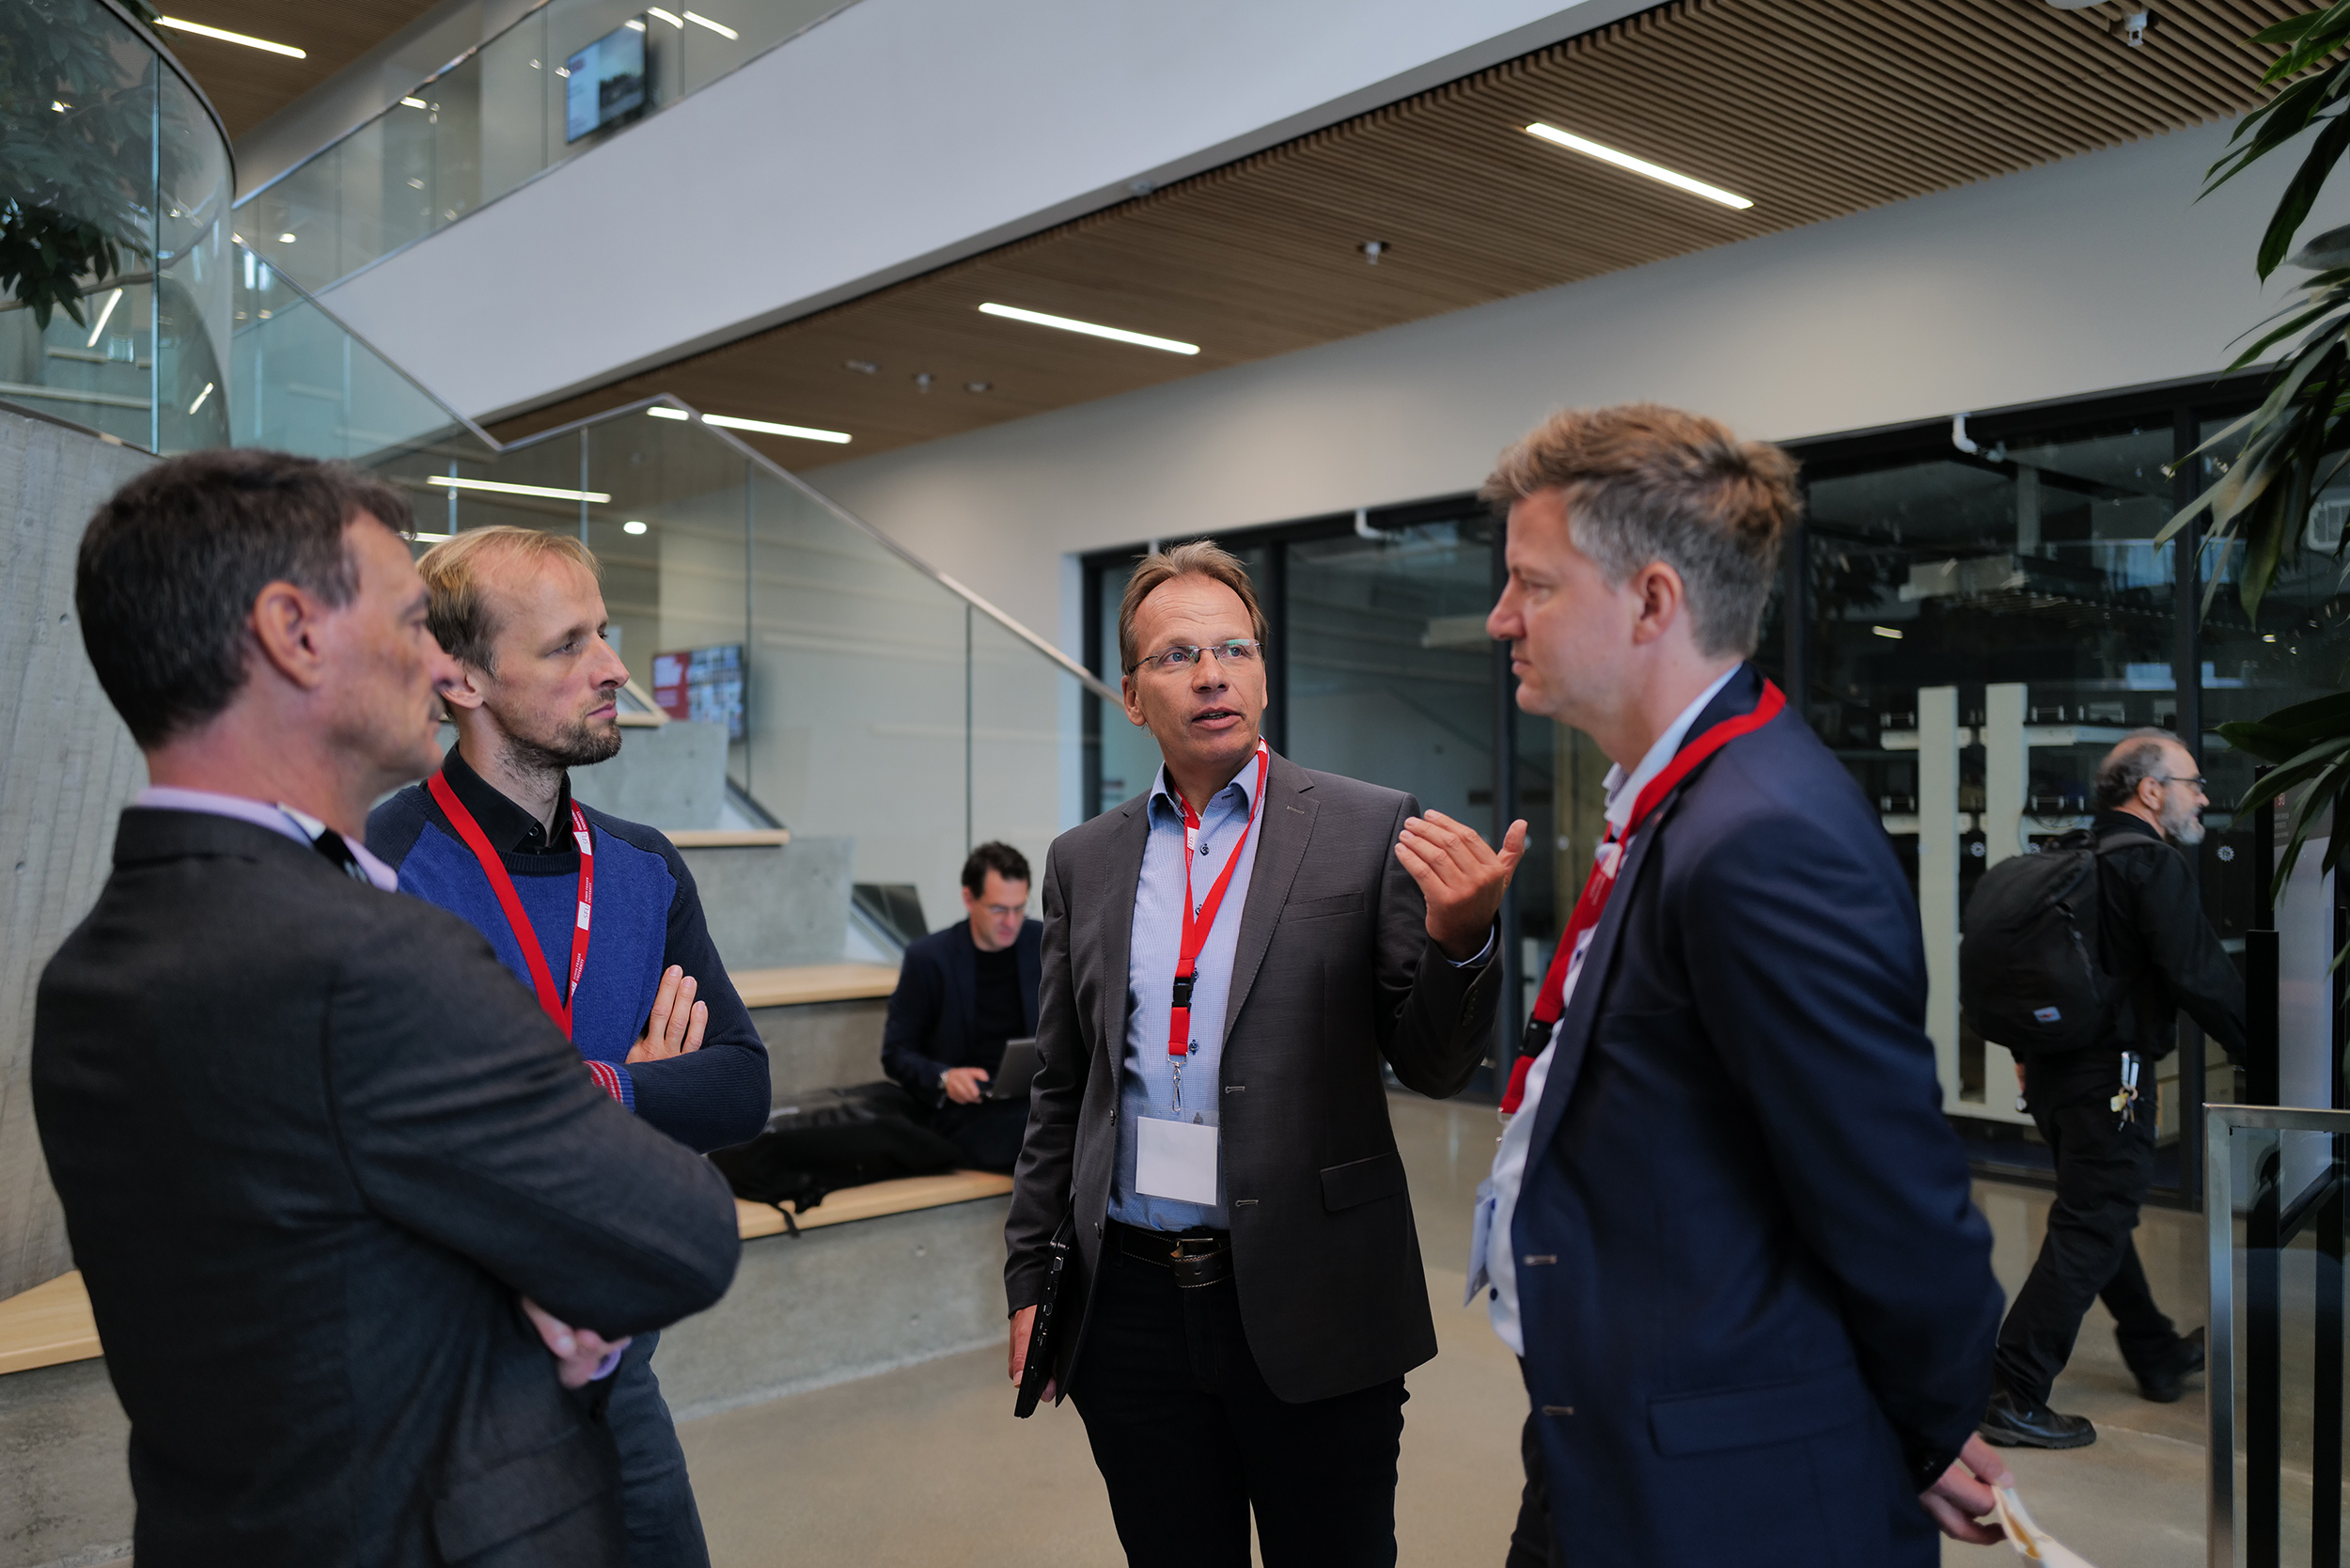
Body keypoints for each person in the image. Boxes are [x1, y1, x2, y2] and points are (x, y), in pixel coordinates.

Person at [34, 450, 741, 1567]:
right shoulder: (367, 956)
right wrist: (556, 1258)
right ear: (293, 631)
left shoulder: (92, 968)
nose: (436, 660)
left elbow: (311, 1264)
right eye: (412, 619)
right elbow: (676, 1239)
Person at [1476, 404, 2012, 1566]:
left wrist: (1924, 1434)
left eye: (1533, 584)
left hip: (1726, 1490)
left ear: (1652, 601)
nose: (1499, 617)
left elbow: (1891, 1195)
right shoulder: (1682, 798)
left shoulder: (1758, 835)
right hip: (1617, 1434)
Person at [1003, 541, 1521, 1567]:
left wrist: (1462, 942)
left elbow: (1431, 1065)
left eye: (1234, 648)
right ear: (1131, 695)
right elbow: (1065, 1087)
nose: (1211, 674)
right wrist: (1031, 1280)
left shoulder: (1369, 828)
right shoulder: (1083, 860)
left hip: (1313, 1292)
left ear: (1263, 674)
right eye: (1177, 655)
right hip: (1133, 1309)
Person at [367, 525, 770, 1567]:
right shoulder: (380, 867)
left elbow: (739, 1089)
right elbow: (397, 1133)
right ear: (457, 676)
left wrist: (582, 1089)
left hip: (612, 1353)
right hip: (439, 1366)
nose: (614, 668)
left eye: (605, 632)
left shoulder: (643, 868)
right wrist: (638, 1085)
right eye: (566, 646)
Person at [1980, 729, 2244, 1448]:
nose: (2203, 797)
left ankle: (2155, 1352)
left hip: (2054, 1073)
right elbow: (2199, 975)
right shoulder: (2148, 865)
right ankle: (2012, 1389)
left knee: (2097, 1210)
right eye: (2192, 782)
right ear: (2150, 791)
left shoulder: (2069, 857)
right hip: (2112, 1079)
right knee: (2093, 1220)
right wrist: (2268, 1055)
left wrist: (2030, 1053)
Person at [880, 840, 1042, 1171]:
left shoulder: (1041, 943)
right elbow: (895, 1052)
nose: (1011, 921)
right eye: (998, 909)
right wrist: (945, 1077)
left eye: (1019, 908)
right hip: (964, 1113)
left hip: (1033, 1101)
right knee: (1046, 1139)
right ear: (969, 898)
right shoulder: (929, 958)